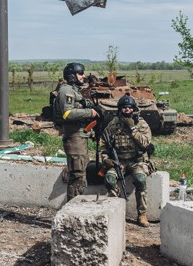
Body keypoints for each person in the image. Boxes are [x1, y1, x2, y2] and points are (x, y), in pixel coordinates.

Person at [101, 94, 153, 227]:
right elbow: (104, 145)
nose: (127, 110)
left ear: (134, 109)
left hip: (137, 161)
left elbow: (145, 143)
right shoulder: (113, 124)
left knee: (141, 179)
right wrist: (106, 160)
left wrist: (132, 129)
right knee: (110, 178)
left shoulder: (141, 123)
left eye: (129, 108)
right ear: (120, 109)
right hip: (119, 161)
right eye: (124, 108)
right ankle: (114, 210)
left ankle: (142, 214)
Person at [53, 62, 99, 201]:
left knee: (81, 173)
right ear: (72, 76)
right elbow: (67, 114)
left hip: (80, 136)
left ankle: (75, 207)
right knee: (77, 176)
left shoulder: (74, 91)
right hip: (74, 137)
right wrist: (89, 112)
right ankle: (71, 209)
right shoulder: (66, 91)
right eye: (80, 73)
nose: (83, 76)